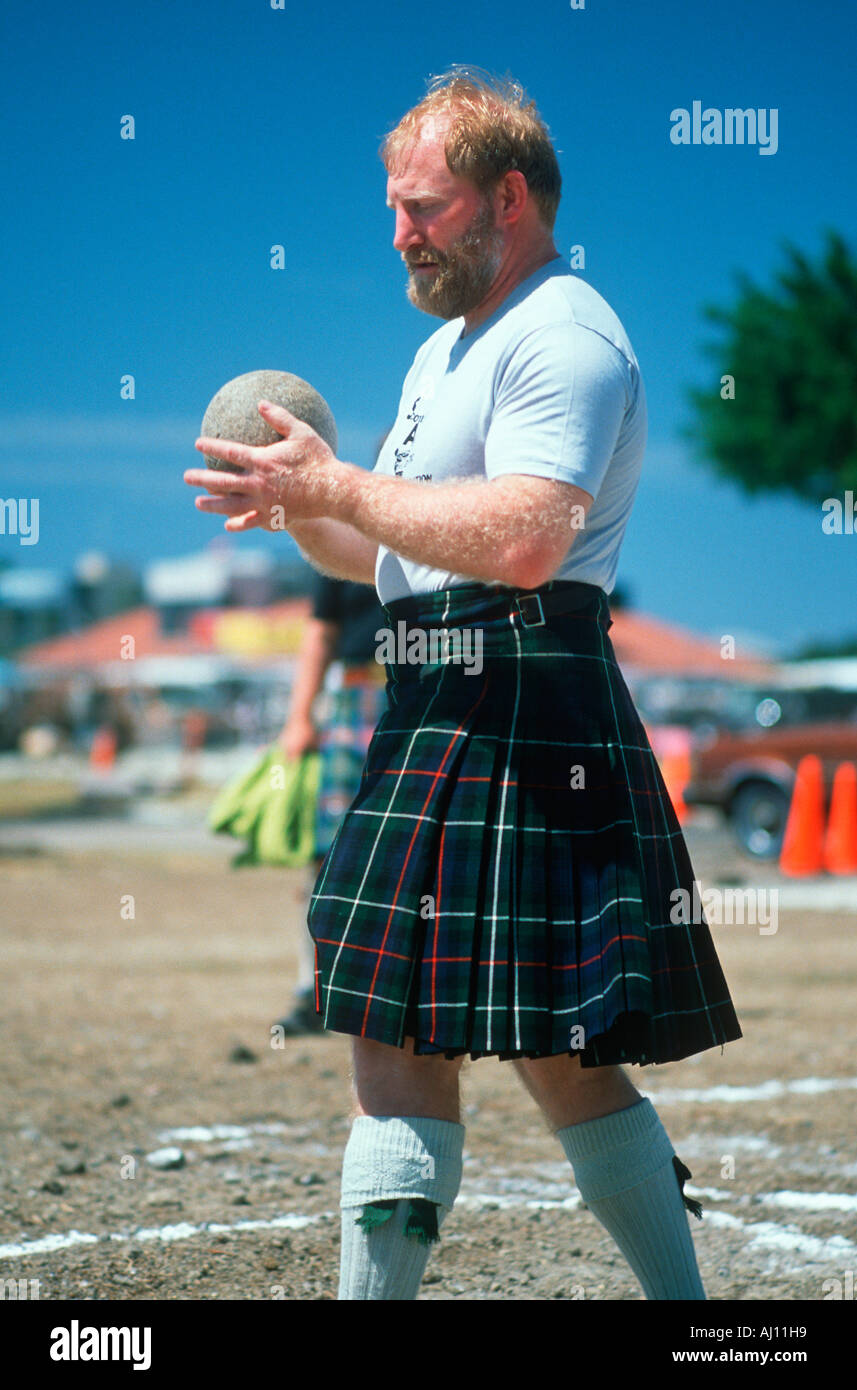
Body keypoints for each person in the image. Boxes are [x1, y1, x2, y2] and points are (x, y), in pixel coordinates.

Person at [186, 66, 742, 1302]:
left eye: (422, 207)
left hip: (526, 704)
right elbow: (386, 547)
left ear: (507, 196)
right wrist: (296, 506)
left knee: (562, 1058)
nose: (397, 234)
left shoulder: (565, 334)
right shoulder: (443, 352)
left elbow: (528, 535)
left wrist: (338, 490)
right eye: (390, 208)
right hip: (429, 698)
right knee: (398, 1031)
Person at [274, 571, 387, 1035]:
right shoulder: (338, 527)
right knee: (329, 858)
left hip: (435, 687)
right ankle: (314, 991)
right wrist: (299, 717)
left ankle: (407, 993)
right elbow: (321, 628)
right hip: (356, 695)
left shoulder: (448, 506)